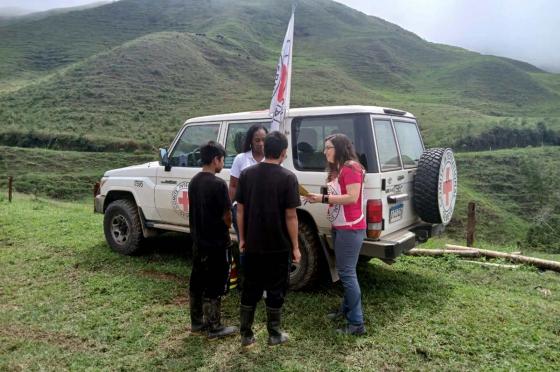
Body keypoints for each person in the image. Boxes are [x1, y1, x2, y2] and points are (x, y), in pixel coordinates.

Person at [236, 131, 301, 348]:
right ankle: (274, 334)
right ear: (284, 153)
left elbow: (241, 211)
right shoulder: (289, 178)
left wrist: (242, 239)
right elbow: (291, 216)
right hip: (278, 246)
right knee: (275, 288)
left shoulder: (246, 174)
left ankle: (246, 335)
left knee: (250, 288)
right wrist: (296, 247)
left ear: (264, 149)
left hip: (253, 244)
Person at [305, 134, 367, 335]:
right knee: (345, 271)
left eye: (328, 147)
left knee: (347, 273)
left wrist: (322, 198)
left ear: (340, 147)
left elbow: (352, 197)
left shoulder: (351, 168)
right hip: (341, 226)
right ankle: (346, 310)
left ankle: (357, 323)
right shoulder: (339, 169)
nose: (325, 152)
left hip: (351, 227)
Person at [188, 141, 238, 339]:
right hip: (217, 244)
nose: (223, 164)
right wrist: (227, 226)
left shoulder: (194, 181)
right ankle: (214, 326)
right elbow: (227, 216)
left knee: (197, 281)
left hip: (198, 242)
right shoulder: (218, 184)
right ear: (216, 159)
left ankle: (197, 323)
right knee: (215, 283)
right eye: (222, 160)